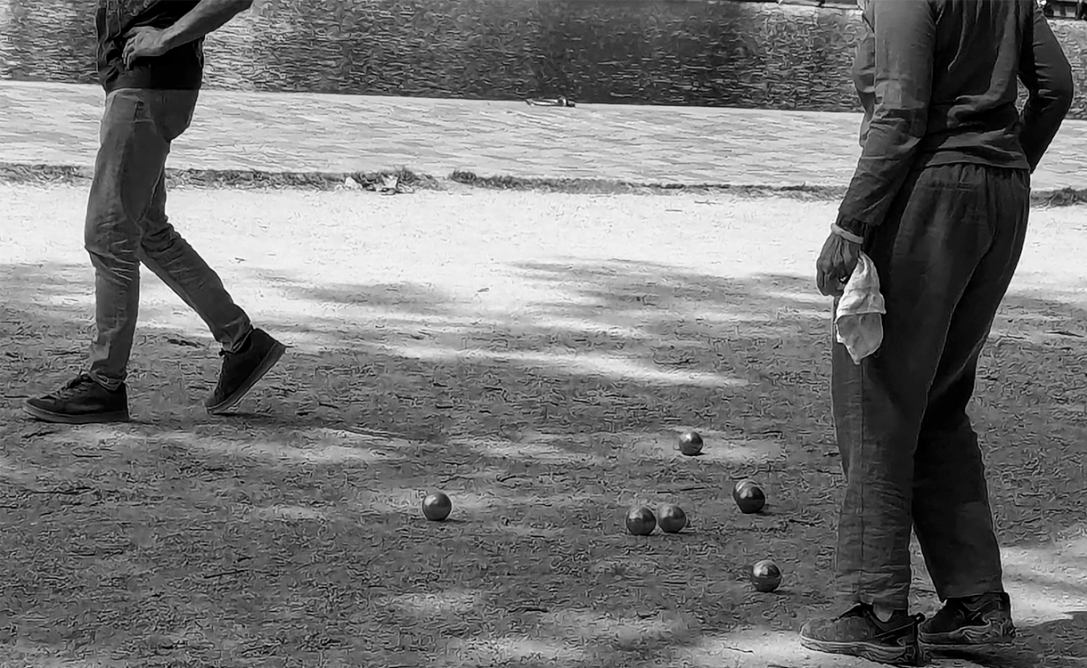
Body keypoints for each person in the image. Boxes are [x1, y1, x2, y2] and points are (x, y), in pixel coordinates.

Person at [805, 0, 1073, 664]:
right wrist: (1002, 163)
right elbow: (1057, 87)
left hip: (927, 193)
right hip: (998, 197)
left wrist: (849, 225)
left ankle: (874, 611)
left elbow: (899, 114)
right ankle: (975, 604)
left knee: (879, 400)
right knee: (938, 401)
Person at [24, 0, 286, 425]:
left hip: (146, 89)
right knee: (146, 230)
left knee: (109, 233)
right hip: (145, 87)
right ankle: (243, 343)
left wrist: (164, 38)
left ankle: (104, 383)